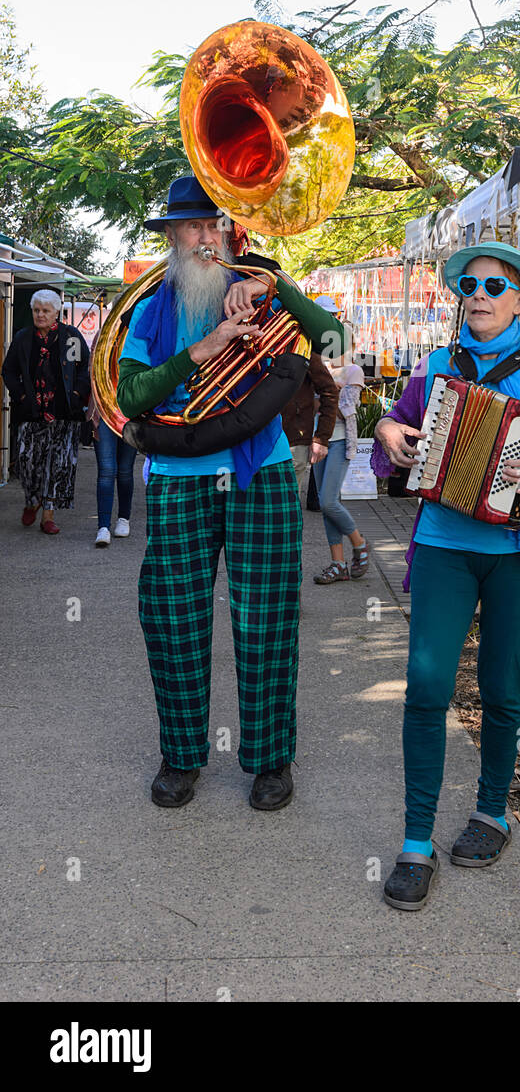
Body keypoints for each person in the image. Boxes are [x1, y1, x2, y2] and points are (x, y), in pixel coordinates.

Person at [116, 176, 344, 812]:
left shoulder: (261, 289)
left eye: (215, 224)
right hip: (177, 477)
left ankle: (271, 758)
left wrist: (278, 286)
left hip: (260, 472)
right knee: (173, 618)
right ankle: (181, 756)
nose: (205, 237)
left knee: (267, 616)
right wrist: (208, 346)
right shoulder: (149, 309)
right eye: (192, 227)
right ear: (172, 237)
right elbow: (131, 396)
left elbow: (335, 343)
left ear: (232, 229)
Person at [371, 242, 520, 911]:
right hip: (443, 544)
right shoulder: (435, 367)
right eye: (469, 284)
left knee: (500, 688)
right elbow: (398, 438)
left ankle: (491, 814)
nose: (480, 294)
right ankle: (415, 842)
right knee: (428, 687)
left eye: (497, 286)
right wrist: (385, 430)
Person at [2, 289, 90, 534]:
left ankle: (47, 516)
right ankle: (33, 501)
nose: (40, 315)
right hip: (31, 413)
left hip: (63, 414)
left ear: (56, 313)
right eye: (36, 310)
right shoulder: (22, 338)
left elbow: (84, 369)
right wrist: (20, 394)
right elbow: (8, 371)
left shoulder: (70, 337)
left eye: (45, 311)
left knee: (57, 466)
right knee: (27, 464)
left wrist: (75, 394)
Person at [312, 361, 370, 584]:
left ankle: (359, 543)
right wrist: (326, 391)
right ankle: (338, 564)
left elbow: (347, 409)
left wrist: (328, 394)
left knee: (328, 502)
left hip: (341, 442)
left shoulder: (354, 371)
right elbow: (312, 405)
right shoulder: (320, 368)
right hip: (318, 440)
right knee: (326, 503)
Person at [88, 345, 138, 546]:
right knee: (107, 470)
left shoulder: (138, 331)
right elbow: (92, 373)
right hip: (104, 412)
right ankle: (103, 527)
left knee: (125, 470)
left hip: (131, 412)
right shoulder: (102, 336)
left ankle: (123, 518)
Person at [281, 349, 339, 503]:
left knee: (287, 506)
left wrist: (322, 437)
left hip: (292, 440)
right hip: (255, 440)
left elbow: (329, 391)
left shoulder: (300, 343)